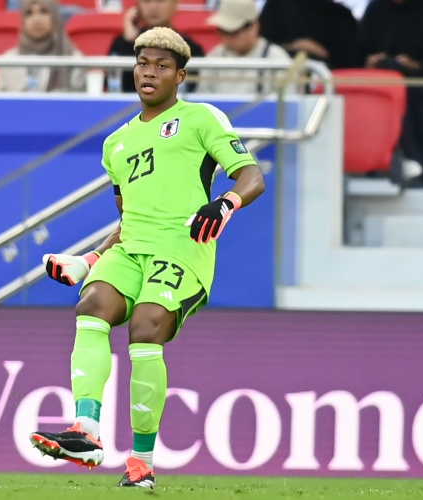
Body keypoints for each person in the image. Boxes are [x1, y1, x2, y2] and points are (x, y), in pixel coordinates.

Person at [28, 27, 265, 488]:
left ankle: (141, 463)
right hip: (131, 250)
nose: (149, 72)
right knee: (92, 305)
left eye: (161, 65)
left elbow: (252, 176)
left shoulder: (200, 118)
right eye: (142, 63)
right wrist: (90, 259)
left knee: (145, 326)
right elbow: (128, 218)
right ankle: (86, 431)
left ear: (180, 76)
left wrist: (225, 204)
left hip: (182, 248)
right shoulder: (115, 144)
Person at [359, 0, 423, 185]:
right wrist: (371, 61)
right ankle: (374, 162)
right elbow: (361, 51)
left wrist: (416, 65)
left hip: (422, 80)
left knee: (413, 93)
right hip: (380, 81)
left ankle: (415, 161)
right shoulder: (377, 8)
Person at [197, 0, 293, 95]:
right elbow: (203, 98)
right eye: (221, 31)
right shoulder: (214, 57)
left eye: (232, 32)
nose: (225, 38)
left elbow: (286, 101)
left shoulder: (277, 59)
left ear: (254, 27)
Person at [107, 0, 205, 93]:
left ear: (175, 3)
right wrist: (128, 43)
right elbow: (111, 85)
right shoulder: (123, 43)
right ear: (138, 6)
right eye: (147, 1)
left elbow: (192, 90)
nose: (153, 6)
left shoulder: (189, 48)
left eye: (160, 0)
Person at [0, 0, 86, 93]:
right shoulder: (9, 61)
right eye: (29, 13)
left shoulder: (73, 60)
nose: (37, 19)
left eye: (44, 11)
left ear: (55, 17)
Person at [258, 0, 361, 69]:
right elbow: (261, 44)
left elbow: (351, 63)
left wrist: (323, 56)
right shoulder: (279, 6)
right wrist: (291, 46)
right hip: (280, 78)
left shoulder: (342, 17)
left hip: (330, 87)